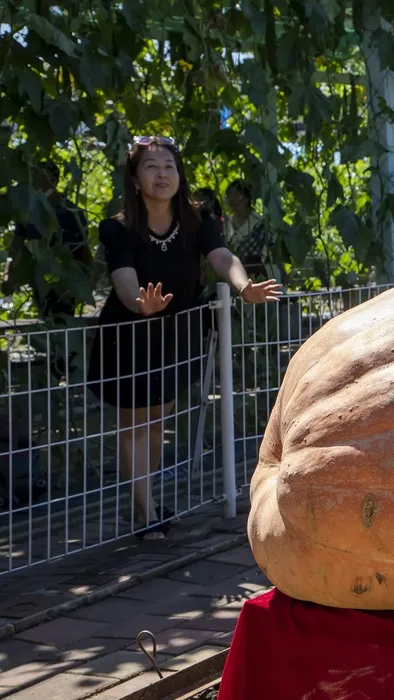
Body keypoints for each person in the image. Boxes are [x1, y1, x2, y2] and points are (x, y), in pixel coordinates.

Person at [88, 136, 281, 540]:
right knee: (133, 424)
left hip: (174, 333)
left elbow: (222, 258)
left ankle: (150, 503)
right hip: (129, 335)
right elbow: (123, 278)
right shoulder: (119, 228)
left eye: (169, 166)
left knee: (157, 422)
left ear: (180, 175)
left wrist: (244, 287)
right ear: (136, 179)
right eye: (151, 167)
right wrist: (140, 303)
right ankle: (143, 514)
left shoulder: (198, 219)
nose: (162, 174)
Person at [3, 161, 94, 322]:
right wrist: (8, 277)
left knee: (62, 322)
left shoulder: (68, 211)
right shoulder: (28, 211)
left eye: (41, 176)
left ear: (54, 180)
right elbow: (16, 246)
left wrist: (86, 280)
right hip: (40, 279)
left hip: (66, 279)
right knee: (47, 321)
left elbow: (82, 248)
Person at [225, 180, 271, 279]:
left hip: (255, 273)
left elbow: (273, 249)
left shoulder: (259, 222)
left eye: (237, 195)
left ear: (247, 198)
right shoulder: (226, 222)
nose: (232, 200)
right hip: (232, 274)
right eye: (230, 196)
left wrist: (283, 274)